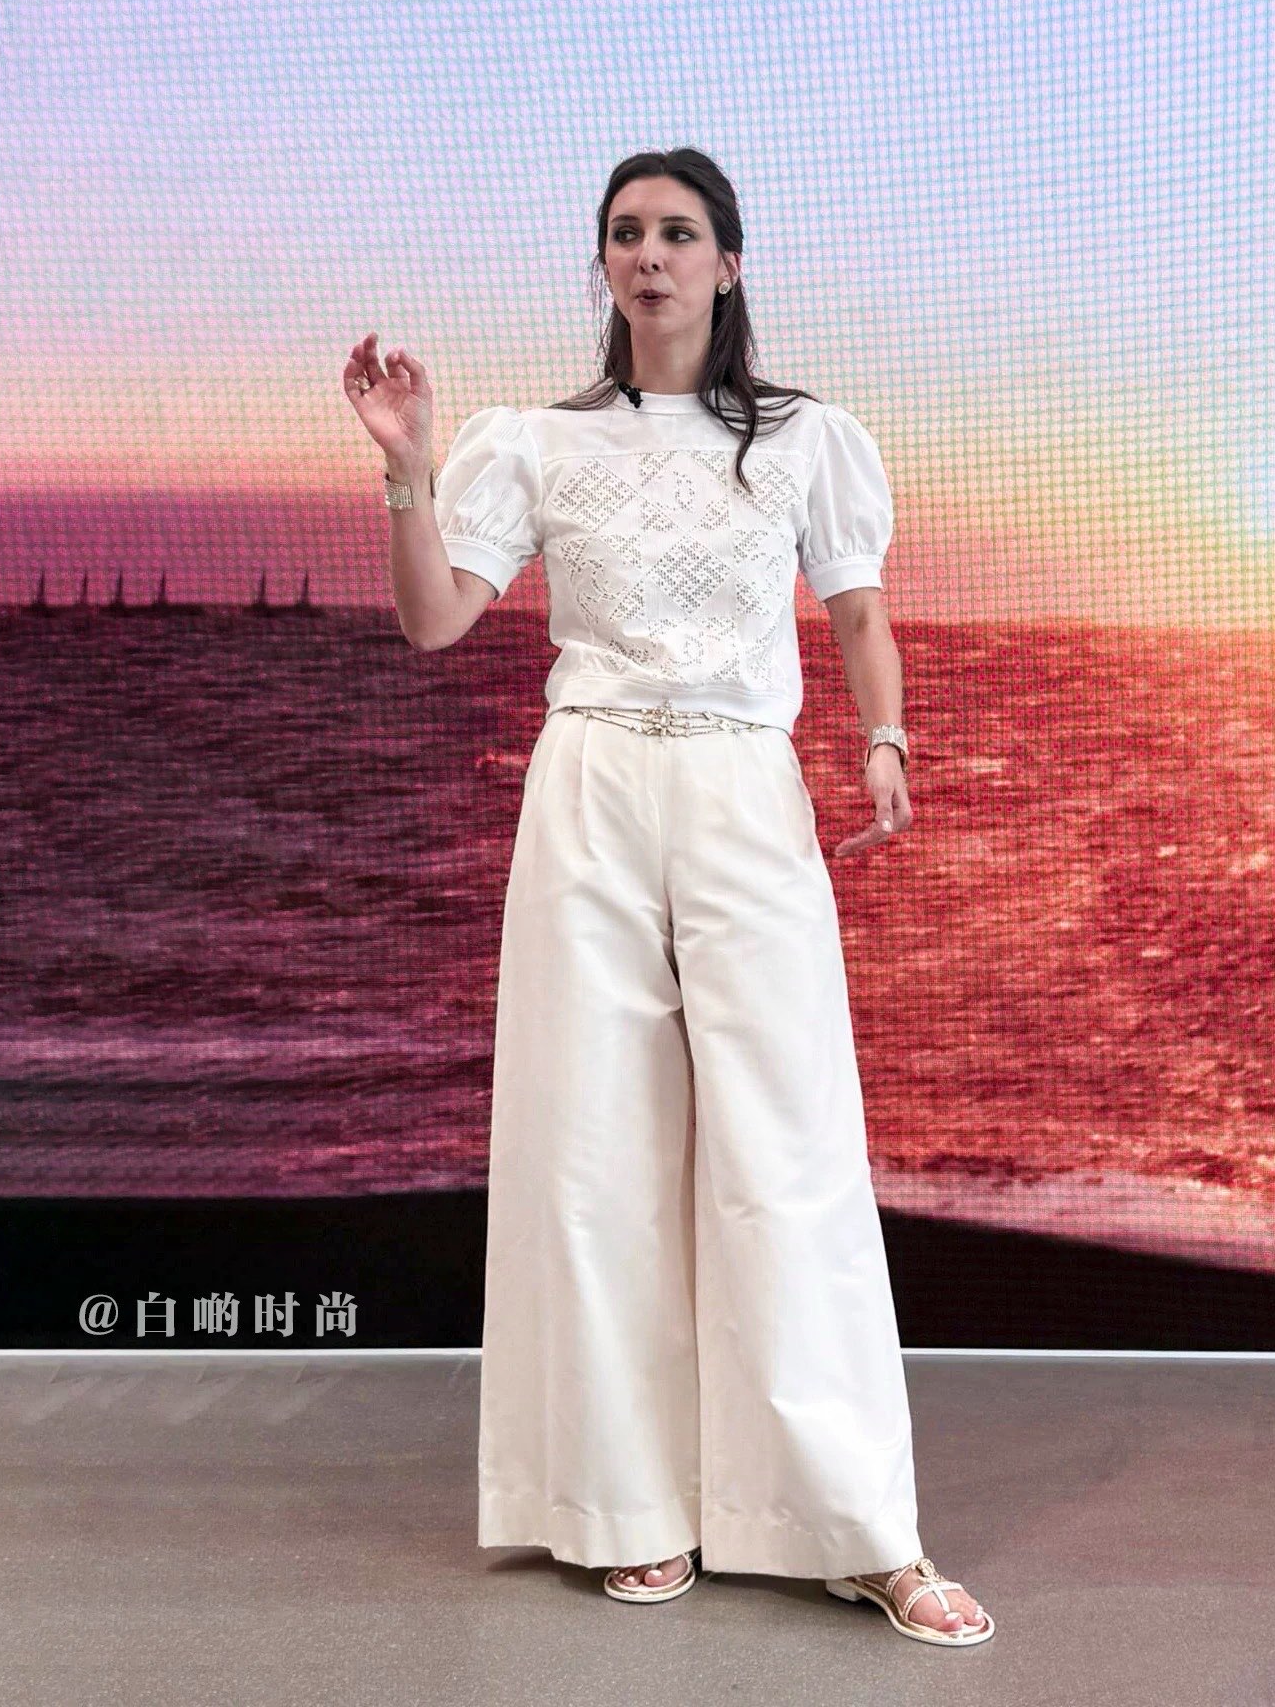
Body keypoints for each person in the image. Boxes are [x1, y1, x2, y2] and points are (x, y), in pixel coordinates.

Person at [344, 147, 994, 1649]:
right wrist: (407, 464)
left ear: (727, 263)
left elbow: (858, 610)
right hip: (587, 784)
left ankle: (857, 1530)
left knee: (791, 1146)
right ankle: (623, 1505)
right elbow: (435, 620)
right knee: (592, 1148)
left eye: (679, 233)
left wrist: (885, 740)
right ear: (605, 266)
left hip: (742, 783)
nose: (651, 254)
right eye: (627, 233)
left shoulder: (808, 438)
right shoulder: (537, 443)